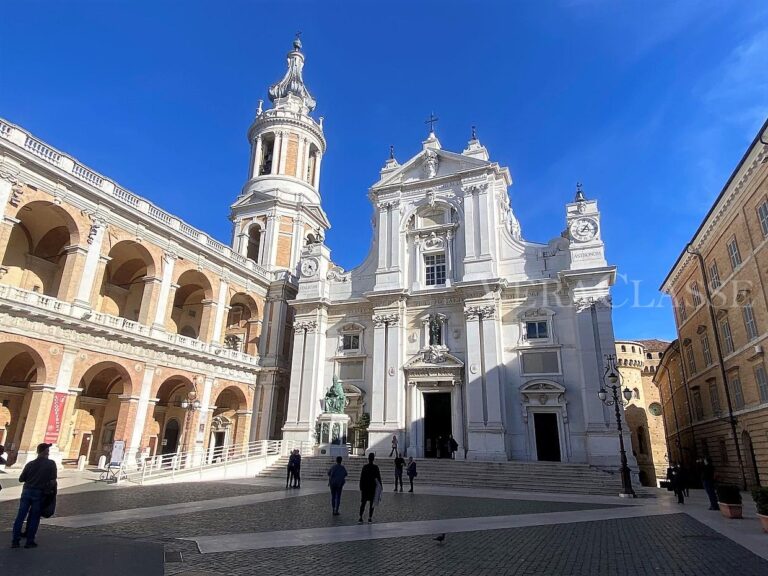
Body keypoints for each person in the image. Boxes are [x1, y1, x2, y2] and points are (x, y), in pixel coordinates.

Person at [12, 443, 57, 548]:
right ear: (46, 452)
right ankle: (29, 541)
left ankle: (15, 540)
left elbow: (21, 479)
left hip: (27, 491)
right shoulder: (51, 464)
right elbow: (53, 481)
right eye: (47, 450)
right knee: (34, 517)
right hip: (39, 493)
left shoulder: (30, 464)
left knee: (20, 516)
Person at [358, 452, 382, 523]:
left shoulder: (365, 467)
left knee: (363, 503)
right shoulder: (375, 467)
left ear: (368, 459)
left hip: (365, 487)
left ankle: (360, 517)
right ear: (373, 459)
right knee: (371, 503)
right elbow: (378, 477)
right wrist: (380, 486)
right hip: (372, 487)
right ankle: (370, 517)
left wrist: (361, 486)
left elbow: (361, 477)